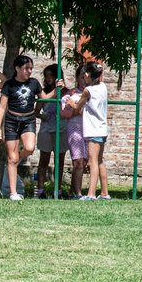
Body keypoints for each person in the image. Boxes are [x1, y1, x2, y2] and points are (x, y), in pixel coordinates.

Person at [0, 55, 51, 201]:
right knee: (11, 159)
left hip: (28, 120)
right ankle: (13, 193)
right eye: (26, 68)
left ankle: (14, 160)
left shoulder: (34, 83)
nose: (29, 71)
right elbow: (1, 107)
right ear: (17, 68)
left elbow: (44, 98)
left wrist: (57, 89)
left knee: (30, 148)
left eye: (31, 68)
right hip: (11, 121)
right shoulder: (9, 85)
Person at [66, 62, 109, 199]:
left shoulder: (87, 91)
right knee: (100, 161)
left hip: (93, 129)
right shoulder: (103, 87)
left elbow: (78, 107)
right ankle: (104, 193)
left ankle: (91, 194)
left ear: (87, 75)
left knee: (93, 162)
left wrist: (70, 102)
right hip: (102, 128)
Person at [34, 64, 69, 198]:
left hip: (61, 129)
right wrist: (41, 115)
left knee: (59, 161)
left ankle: (58, 190)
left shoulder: (65, 92)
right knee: (44, 160)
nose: (48, 79)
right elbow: (36, 111)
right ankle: (41, 190)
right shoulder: (44, 93)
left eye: (51, 76)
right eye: (46, 76)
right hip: (47, 129)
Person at [61, 66, 89, 198]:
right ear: (77, 78)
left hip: (90, 129)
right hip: (75, 128)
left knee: (84, 162)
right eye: (82, 77)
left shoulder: (92, 93)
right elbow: (64, 113)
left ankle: (72, 191)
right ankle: (78, 193)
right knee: (77, 161)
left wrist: (77, 108)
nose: (84, 80)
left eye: (86, 76)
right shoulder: (71, 94)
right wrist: (77, 110)